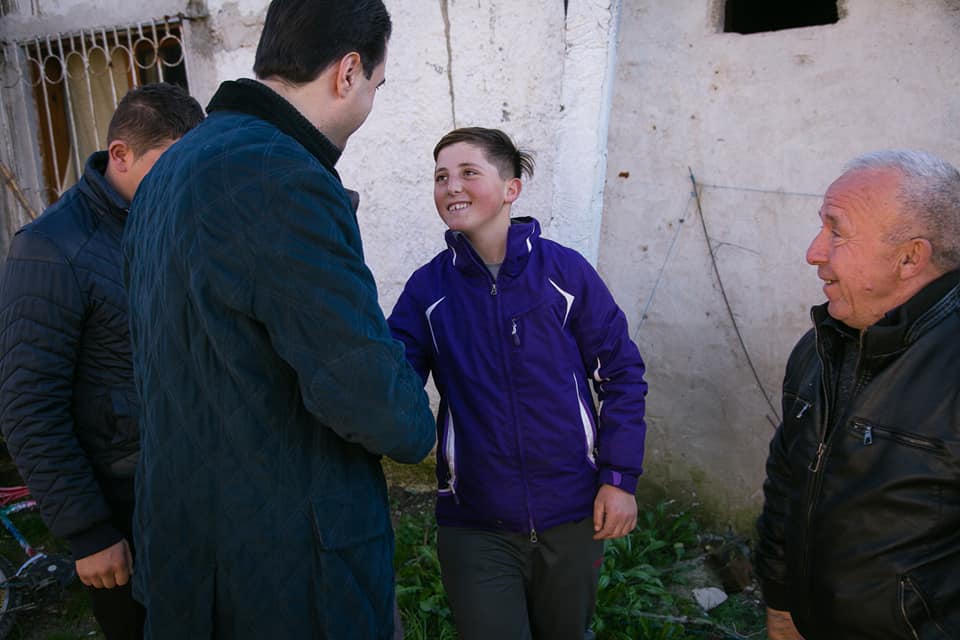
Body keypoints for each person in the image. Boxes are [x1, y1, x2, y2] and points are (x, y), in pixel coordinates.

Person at [121, 1, 436, 638]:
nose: (371, 99)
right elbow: (372, 398)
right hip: (284, 571)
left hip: (188, 547)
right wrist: (415, 417)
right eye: (377, 84)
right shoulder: (280, 173)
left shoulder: (173, 166)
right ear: (348, 72)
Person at [387, 127, 648, 640]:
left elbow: (621, 373)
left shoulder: (565, 274)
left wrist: (619, 478)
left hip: (573, 515)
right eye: (441, 176)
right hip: (475, 522)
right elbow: (392, 380)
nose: (451, 187)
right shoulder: (428, 290)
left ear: (511, 188)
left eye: (468, 173)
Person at [0, 83, 203, 639]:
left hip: (191, 490)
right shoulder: (50, 248)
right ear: (120, 155)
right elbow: (26, 405)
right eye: (171, 166)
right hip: (120, 506)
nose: (185, 182)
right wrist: (88, 532)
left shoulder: (169, 222)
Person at [755, 150, 960, 639]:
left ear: (910, 256)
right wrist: (782, 606)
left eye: (836, 231)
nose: (814, 252)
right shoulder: (823, 343)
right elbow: (787, 482)